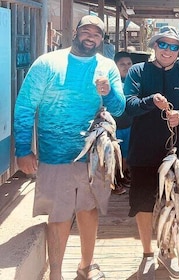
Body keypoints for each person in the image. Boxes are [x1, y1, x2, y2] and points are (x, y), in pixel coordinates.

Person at [13, 15, 125, 280]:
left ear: (102, 39)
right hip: (55, 155)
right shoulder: (47, 63)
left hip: (95, 156)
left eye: (97, 34)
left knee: (89, 210)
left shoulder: (107, 66)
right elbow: (25, 106)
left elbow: (119, 108)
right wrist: (22, 148)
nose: (91, 37)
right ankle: (56, 274)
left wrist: (108, 91)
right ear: (75, 33)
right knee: (59, 214)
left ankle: (86, 266)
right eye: (86, 31)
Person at [124, 25, 179, 280]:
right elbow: (128, 105)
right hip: (143, 150)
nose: (167, 50)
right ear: (154, 46)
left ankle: (168, 252)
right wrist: (149, 102)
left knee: (174, 204)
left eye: (174, 46)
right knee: (143, 203)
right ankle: (147, 254)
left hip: (176, 154)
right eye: (163, 45)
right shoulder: (137, 71)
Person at [112, 51, 134, 195]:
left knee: (126, 154)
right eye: (122, 64)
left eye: (129, 64)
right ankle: (113, 181)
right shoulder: (111, 82)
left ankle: (123, 176)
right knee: (114, 155)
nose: (126, 67)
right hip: (114, 126)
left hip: (130, 125)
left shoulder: (135, 82)